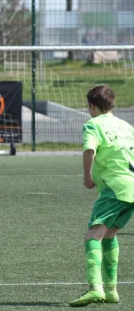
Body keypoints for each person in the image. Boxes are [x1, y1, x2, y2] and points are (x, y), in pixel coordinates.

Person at [69, 85, 134, 307]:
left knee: (92, 236)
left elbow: (90, 150)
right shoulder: (126, 126)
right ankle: (112, 291)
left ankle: (95, 288)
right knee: (108, 235)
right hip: (131, 187)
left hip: (115, 188)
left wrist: (87, 176)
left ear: (92, 106)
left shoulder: (92, 125)